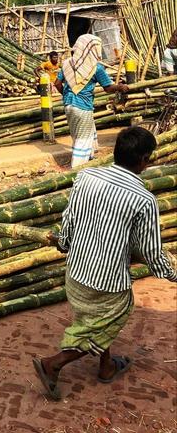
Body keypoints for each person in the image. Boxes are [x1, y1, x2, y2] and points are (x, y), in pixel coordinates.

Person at [33, 127, 177, 401]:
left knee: (93, 319)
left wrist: (64, 242)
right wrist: (171, 273)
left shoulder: (86, 176)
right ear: (145, 159)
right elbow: (151, 250)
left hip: (76, 273)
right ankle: (53, 364)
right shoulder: (143, 199)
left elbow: (70, 217)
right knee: (111, 317)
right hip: (108, 282)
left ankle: (106, 366)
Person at [54, 34, 129, 168]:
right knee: (83, 139)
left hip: (68, 105)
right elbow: (108, 88)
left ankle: (89, 159)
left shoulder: (67, 63)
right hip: (83, 106)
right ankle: (78, 169)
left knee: (77, 134)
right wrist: (120, 87)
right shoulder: (95, 67)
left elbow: (57, 83)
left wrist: (66, 95)